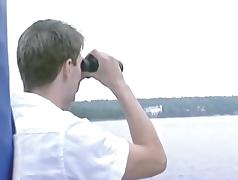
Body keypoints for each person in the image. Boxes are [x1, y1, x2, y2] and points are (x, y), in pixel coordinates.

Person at [11, 19, 167, 180]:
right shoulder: (70, 136)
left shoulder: (9, 121)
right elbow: (155, 159)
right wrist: (119, 84)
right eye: (80, 65)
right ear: (68, 67)